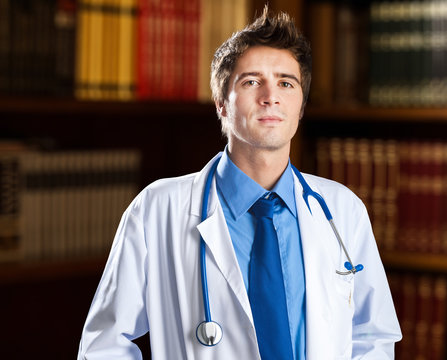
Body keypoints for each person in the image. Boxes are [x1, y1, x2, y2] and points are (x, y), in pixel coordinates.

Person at [78, 6, 401, 360]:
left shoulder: (343, 210)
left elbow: (373, 336)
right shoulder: (157, 209)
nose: (270, 96)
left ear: (301, 105)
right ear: (221, 103)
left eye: (285, 83)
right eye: (251, 82)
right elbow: (104, 345)